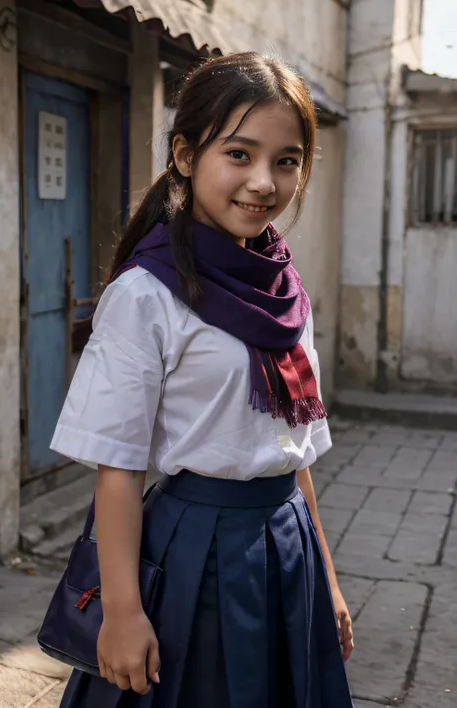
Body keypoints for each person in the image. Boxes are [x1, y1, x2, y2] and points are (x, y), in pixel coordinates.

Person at [51, 51, 355, 708]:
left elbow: (292, 449)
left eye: (287, 159)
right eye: (239, 154)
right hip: (198, 550)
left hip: (289, 543)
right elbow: (119, 469)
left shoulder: (285, 288)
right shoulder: (148, 294)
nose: (263, 182)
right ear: (187, 156)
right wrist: (123, 612)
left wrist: (325, 577)